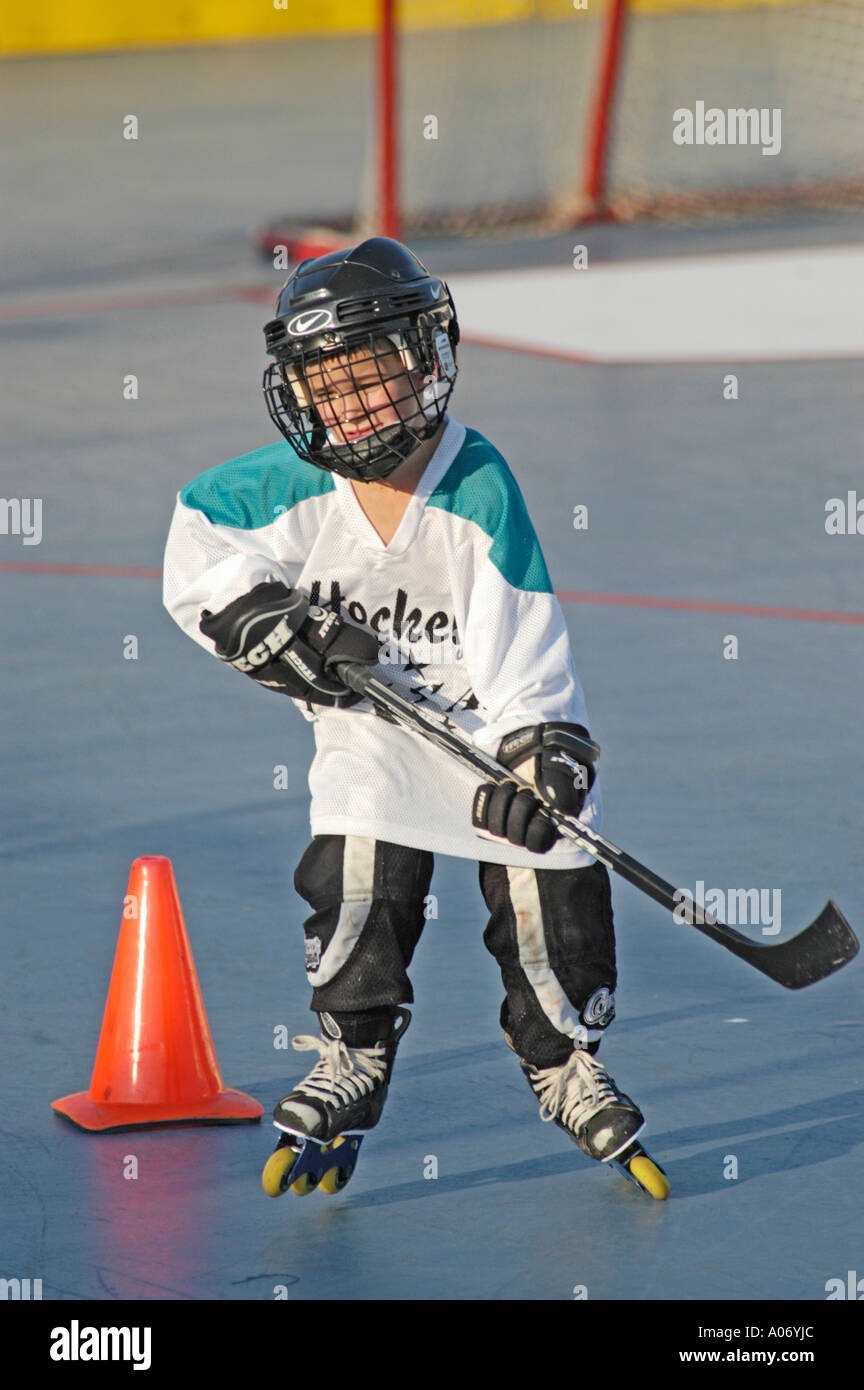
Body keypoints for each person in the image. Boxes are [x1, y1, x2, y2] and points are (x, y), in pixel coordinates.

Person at [162, 237, 659, 1192]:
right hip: (375, 728)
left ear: (426, 363)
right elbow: (199, 537)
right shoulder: (280, 488)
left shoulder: (476, 487)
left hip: (485, 731)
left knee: (552, 867)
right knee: (356, 870)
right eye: (328, 384)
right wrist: (259, 618)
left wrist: (544, 750)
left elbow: (525, 640)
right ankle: (354, 1050)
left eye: (372, 376)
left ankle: (561, 1061)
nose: (350, 403)